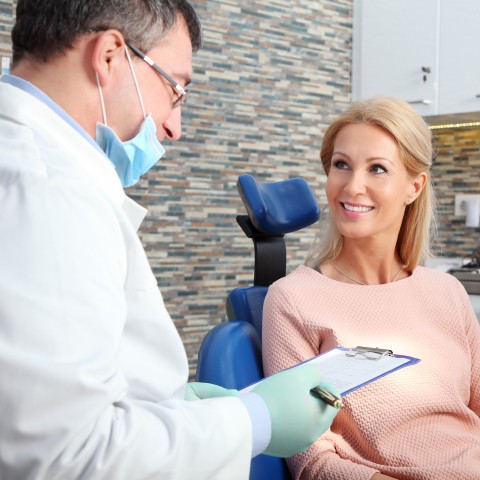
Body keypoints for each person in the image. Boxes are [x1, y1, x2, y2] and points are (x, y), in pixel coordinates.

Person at [0, 1, 340, 478]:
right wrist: (255, 420)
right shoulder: (48, 193)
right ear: (110, 56)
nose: (174, 128)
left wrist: (168, 402)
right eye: (175, 89)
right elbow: (64, 456)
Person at [262, 96, 480, 480]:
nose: (353, 186)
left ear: (414, 187)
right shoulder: (293, 299)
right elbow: (312, 460)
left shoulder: (447, 292)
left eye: (377, 169)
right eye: (341, 165)